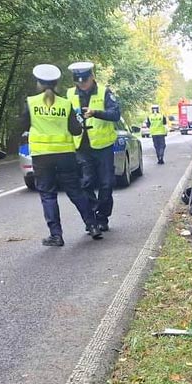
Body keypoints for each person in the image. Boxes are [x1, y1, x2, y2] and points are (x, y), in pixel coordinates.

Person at [22, 64, 102, 246]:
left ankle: (56, 235)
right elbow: (75, 130)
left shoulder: (31, 102)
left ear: (38, 83)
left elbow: (24, 126)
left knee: (48, 195)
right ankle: (93, 226)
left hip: (42, 156)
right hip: (65, 155)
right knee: (75, 191)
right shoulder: (66, 104)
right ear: (57, 83)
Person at [67, 61, 120, 232]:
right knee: (86, 183)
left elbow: (115, 114)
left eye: (85, 80)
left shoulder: (104, 92)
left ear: (92, 77)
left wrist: (96, 113)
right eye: (78, 81)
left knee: (106, 183)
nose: (82, 84)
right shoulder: (69, 94)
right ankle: (91, 218)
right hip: (80, 146)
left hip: (103, 146)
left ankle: (102, 217)